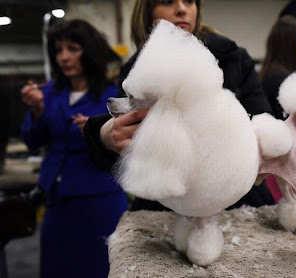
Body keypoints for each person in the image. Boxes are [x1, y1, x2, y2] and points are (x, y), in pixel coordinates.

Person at [83, 0, 276, 211]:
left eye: (189, 1)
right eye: (167, 1)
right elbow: (125, 136)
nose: (182, 9)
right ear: (147, 11)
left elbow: (263, 119)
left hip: (239, 201)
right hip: (168, 205)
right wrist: (105, 134)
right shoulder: (136, 70)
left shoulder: (233, 58)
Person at [20, 19, 128, 278]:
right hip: (57, 200)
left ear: (89, 52)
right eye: (58, 50)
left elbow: (127, 148)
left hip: (100, 199)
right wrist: (36, 111)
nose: (64, 57)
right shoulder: (48, 95)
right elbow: (32, 141)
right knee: (57, 267)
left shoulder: (113, 96)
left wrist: (97, 132)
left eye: (73, 48)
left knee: (100, 268)